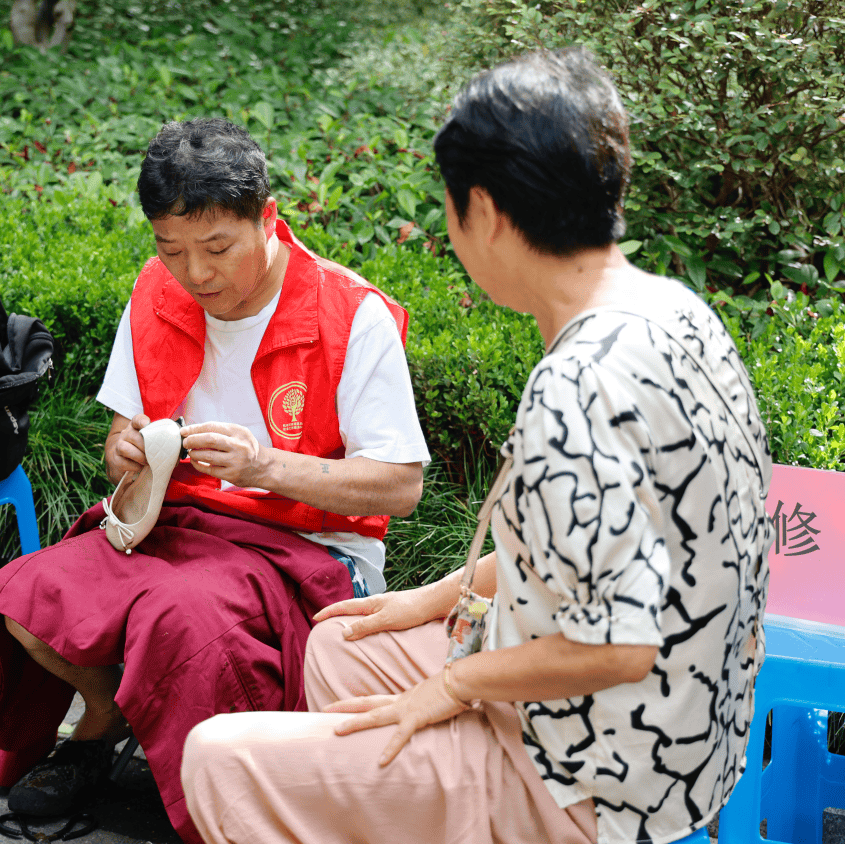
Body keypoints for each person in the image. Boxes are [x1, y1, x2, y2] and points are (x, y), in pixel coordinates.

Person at [180, 46, 773, 844]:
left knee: (220, 757)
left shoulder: (577, 385)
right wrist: (427, 600)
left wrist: (452, 686)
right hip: (690, 734)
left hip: (595, 777)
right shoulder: (674, 312)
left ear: (485, 214)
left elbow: (618, 643)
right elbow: (593, 550)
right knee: (344, 641)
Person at [0, 117, 430, 844]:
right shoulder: (157, 291)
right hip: (175, 526)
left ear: (267, 221)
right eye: (171, 249)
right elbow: (122, 430)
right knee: (27, 595)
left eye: (217, 248)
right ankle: (105, 715)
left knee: (178, 618)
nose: (195, 274)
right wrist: (123, 451)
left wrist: (263, 467)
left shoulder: (349, 313)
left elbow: (399, 487)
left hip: (304, 549)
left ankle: (217, 796)